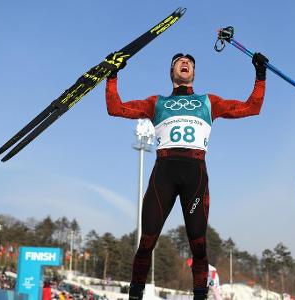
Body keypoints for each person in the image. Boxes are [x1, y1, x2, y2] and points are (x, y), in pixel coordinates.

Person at [105, 51, 268, 300]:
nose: (185, 63)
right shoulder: (156, 102)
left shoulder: (208, 101)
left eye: (190, 62)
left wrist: (260, 75)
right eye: (179, 62)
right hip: (164, 172)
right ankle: (135, 294)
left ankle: (200, 296)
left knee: (199, 245)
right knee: (146, 241)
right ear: (171, 72)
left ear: (193, 72)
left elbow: (251, 107)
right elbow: (115, 108)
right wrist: (112, 74)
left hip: (195, 174)